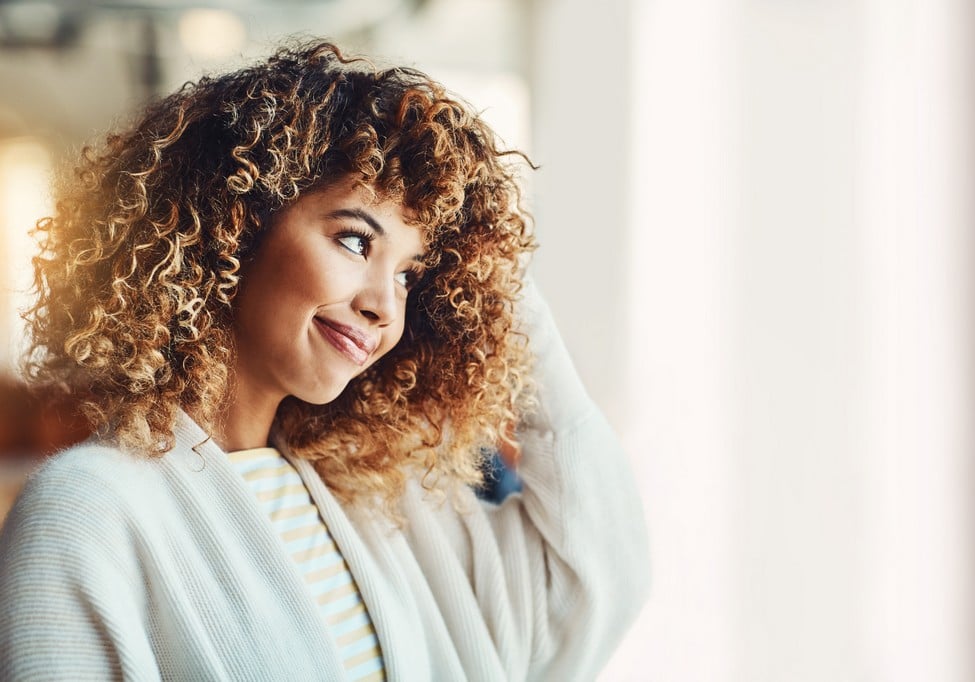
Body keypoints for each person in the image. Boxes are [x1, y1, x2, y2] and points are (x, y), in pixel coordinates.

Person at [0, 41, 650, 681]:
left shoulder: (377, 504)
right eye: (354, 240)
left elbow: (597, 582)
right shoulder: (86, 510)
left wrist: (496, 287)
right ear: (234, 223)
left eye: (408, 275)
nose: (383, 309)